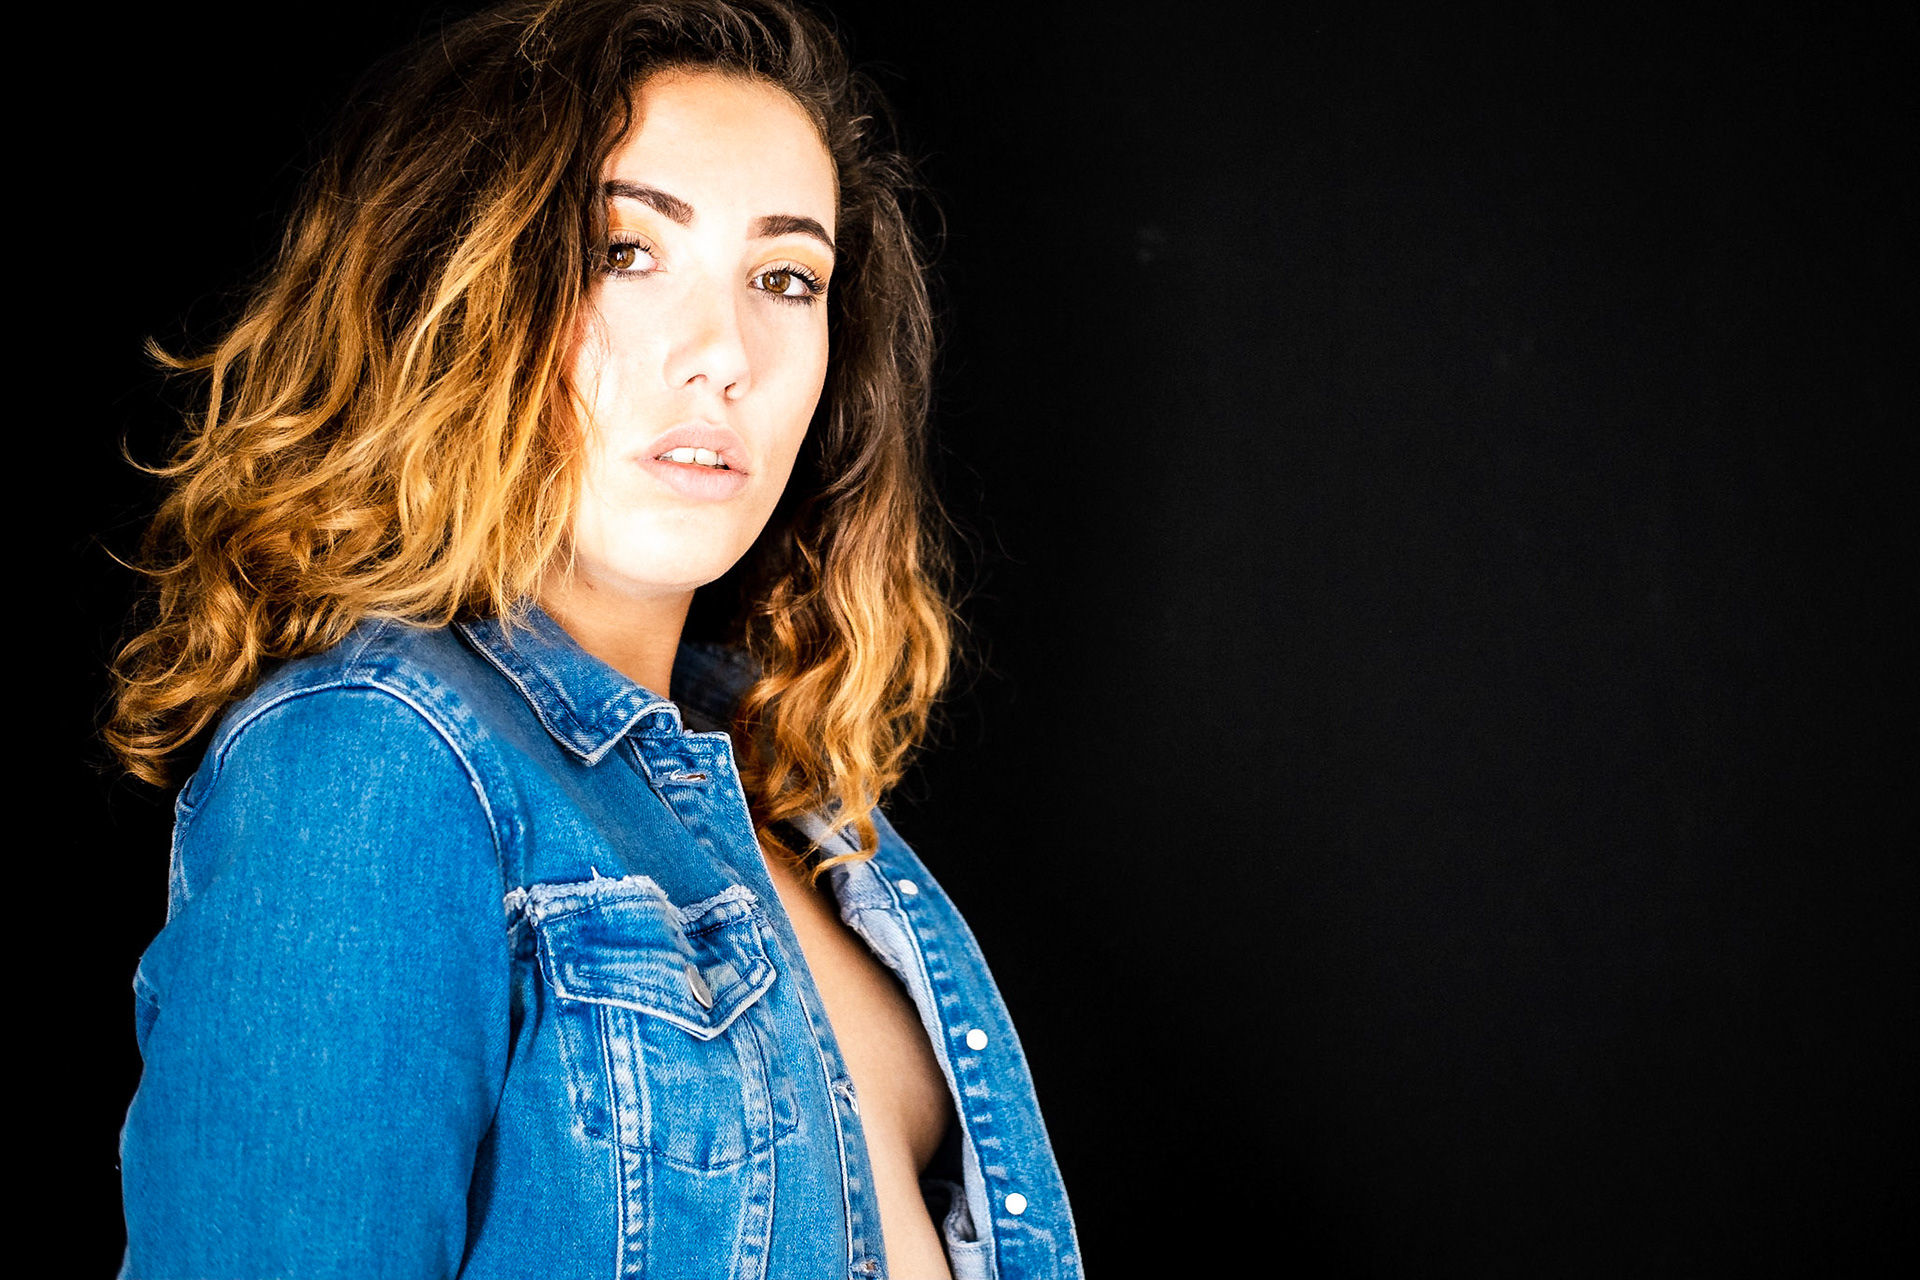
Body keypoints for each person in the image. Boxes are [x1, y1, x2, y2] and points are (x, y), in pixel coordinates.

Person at [108, 2, 1079, 1276]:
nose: (723, 354)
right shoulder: (374, 762)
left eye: (785, 278)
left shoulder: (791, 807)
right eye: (627, 251)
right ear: (454, 293)